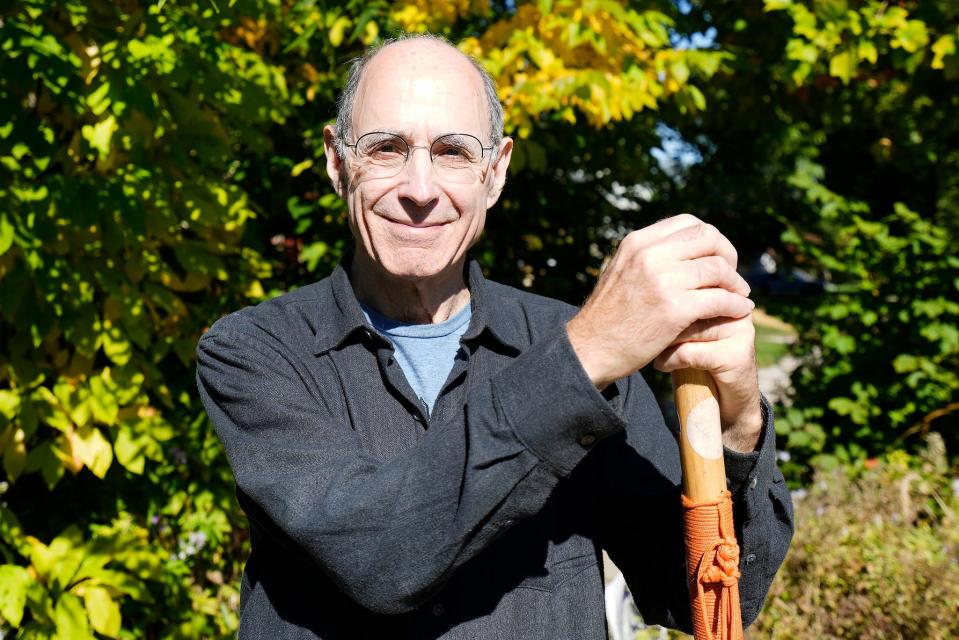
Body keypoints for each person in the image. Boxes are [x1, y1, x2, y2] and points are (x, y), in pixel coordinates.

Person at [196, 34, 793, 639]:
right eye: (386, 148)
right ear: (336, 160)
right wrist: (582, 358)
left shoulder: (569, 344)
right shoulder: (255, 351)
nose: (420, 190)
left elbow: (701, 597)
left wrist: (737, 425)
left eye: (454, 152)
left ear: (495, 172)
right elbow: (378, 554)